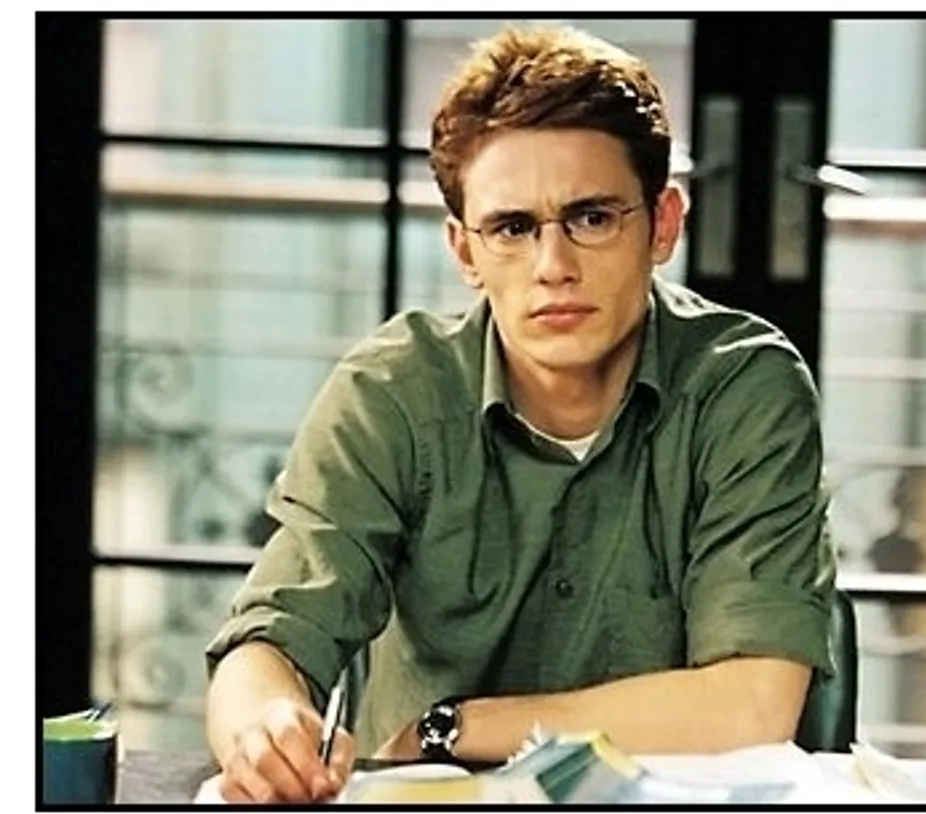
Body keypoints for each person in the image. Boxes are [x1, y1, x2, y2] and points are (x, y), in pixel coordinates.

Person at [204, 24, 837, 804]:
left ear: (664, 224)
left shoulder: (743, 386)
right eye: (511, 228)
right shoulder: (393, 392)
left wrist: (454, 726)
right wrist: (265, 727)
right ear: (464, 251)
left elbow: (752, 707)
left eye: (593, 218)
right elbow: (269, 638)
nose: (553, 266)